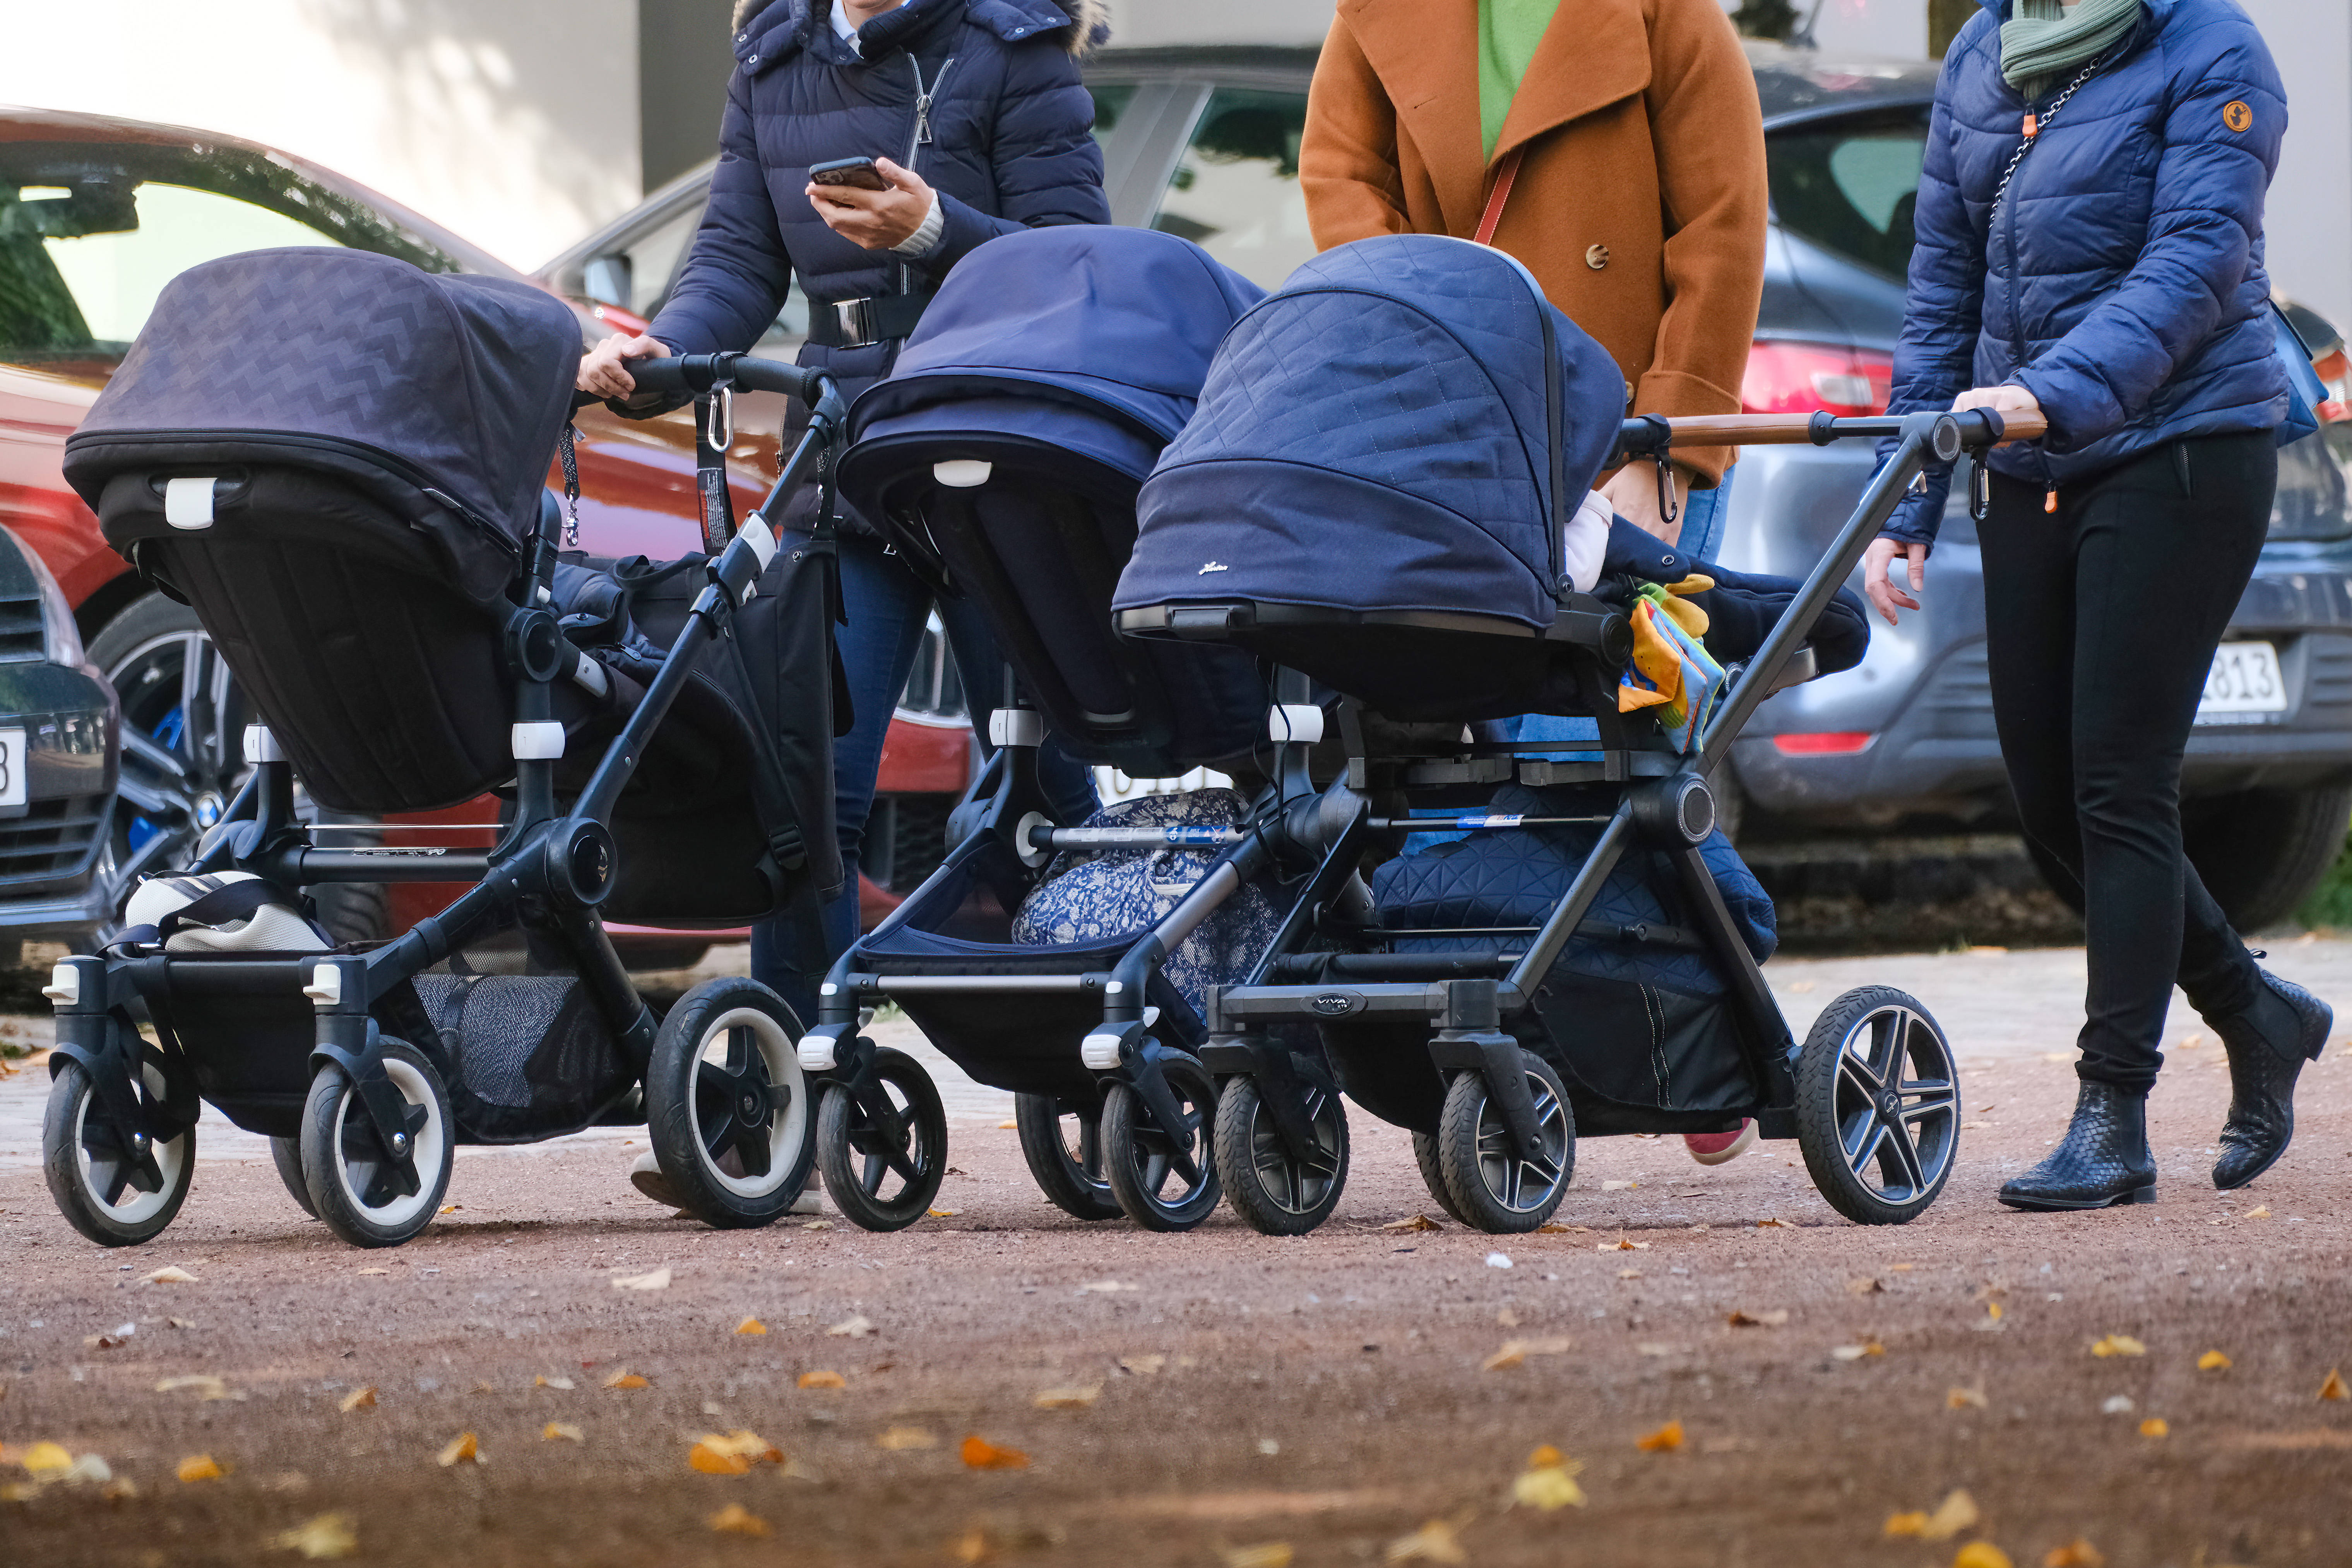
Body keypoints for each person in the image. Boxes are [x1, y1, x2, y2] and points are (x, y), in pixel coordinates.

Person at [576, 0, 1110, 1205]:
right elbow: (735, 260)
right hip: (851, 458)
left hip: (999, 452)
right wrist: (655, 357)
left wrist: (937, 229)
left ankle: (1109, 1055)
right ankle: (789, 1089)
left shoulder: (1011, 47)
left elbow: (1082, 263)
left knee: (1048, 780)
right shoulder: (775, 55)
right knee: (806, 778)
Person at [1863, 0, 2328, 1210]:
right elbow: (1943, 281)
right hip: (2032, 457)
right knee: (2048, 792)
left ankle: (2112, 1113)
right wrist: (1907, 496)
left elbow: (2196, 264)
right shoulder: (1983, 53)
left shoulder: (2212, 49)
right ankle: (2254, 1008)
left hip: (2181, 443)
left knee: (2122, 780)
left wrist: (2042, 394)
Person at [1298, 0, 1770, 1166]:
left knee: (1607, 748)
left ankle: (1707, 1018)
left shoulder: (1664, 13)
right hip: (1451, 435)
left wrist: (1672, 443)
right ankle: (1514, 1037)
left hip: (1625, 440)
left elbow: (1723, 221)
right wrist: (1418, 318)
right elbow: (1341, 180)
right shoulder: (1382, 13)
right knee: (1475, 750)